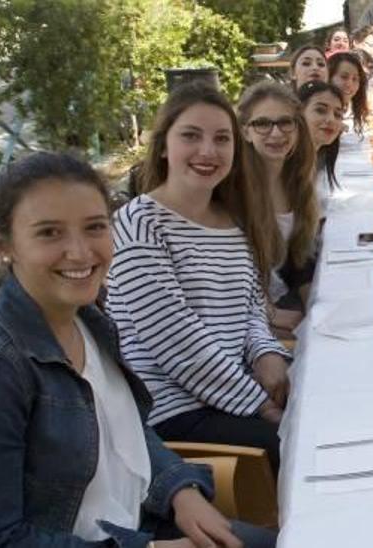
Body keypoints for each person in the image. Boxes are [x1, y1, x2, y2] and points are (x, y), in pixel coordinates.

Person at [0, 151, 276, 546]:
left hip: (141, 524)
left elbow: (124, 434)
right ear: (3, 244)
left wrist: (179, 489)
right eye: (50, 232)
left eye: (94, 227)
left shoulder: (89, 321)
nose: (81, 252)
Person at [106, 82, 290, 475]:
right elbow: (175, 339)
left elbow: (252, 310)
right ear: (162, 146)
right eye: (191, 136)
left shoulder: (233, 221)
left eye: (221, 139)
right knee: (306, 446)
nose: (208, 151)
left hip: (233, 393)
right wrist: (260, 403)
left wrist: (266, 353)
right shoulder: (139, 222)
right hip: (175, 416)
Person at [237, 81, 319, 333]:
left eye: (285, 122)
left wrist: (312, 302)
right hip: (248, 316)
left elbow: (297, 259)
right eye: (262, 123)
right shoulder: (234, 188)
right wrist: (270, 312)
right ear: (245, 132)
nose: (276, 133)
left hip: (282, 296)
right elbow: (231, 275)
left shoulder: (295, 181)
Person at [297, 80, 347, 213]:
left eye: (338, 114)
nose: (331, 119)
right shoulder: (283, 164)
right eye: (320, 110)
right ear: (299, 113)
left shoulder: (317, 156)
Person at [328, 51, 370, 134]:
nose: (349, 84)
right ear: (329, 76)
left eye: (355, 79)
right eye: (344, 77)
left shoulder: (355, 110)